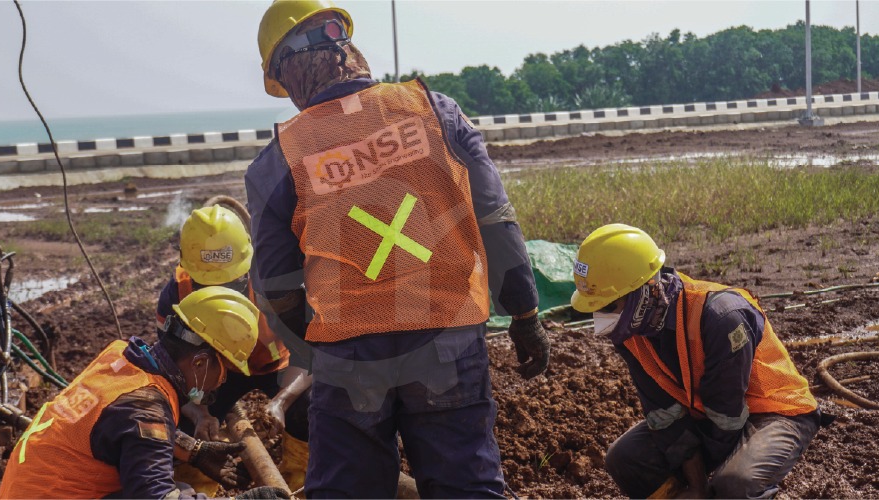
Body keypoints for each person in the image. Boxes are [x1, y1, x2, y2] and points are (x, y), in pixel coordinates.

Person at [246, 1, 550, 497]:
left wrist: (318, 348)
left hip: (349, 354)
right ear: (344, 45)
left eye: (284, 82)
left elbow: (276, 286)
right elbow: (496, 219)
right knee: (465, 487)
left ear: (292, 65)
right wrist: (524, 312)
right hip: (446, 339)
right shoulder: (434, 111)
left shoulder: (280, 157)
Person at [570, 223, 824, 498]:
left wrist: (706, 491)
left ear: (642, 292)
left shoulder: (720, 316)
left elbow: (726, 416)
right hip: (707, 413)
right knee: (625, 457)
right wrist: (696, 487)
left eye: (608, 306)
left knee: (734, 484)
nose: (601, 319)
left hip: (774, 411)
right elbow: (662, 412)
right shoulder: (628, 330)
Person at [0, 287, 288, 500]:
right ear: (200, 362)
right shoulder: (147, 406)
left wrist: (195, 452)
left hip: (28, 490)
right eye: (223, 372)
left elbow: (120, 426)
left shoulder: (120, 357)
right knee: (178, 494)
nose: (221, 383)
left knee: (184, 490)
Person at [156, 205, 310, 492]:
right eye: (208, 285)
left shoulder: (275, 284)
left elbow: (310, 353)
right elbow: (170, 371)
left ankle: (298, 483)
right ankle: (197, 490)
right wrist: (198, 412)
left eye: (230, 284)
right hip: (213, 375)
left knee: (311, 408)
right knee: (180, 424)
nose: (221, 294)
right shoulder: (176, 295)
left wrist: (282, 401)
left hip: (275, 367)